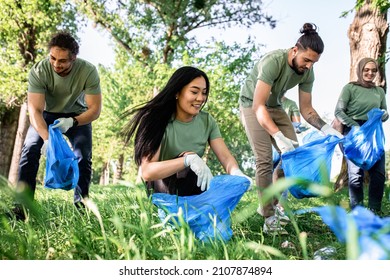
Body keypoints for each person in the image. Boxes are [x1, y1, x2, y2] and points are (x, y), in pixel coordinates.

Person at [239, 23, 343, 234]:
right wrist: (277, 136)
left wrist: (326, 128)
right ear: (295, 50)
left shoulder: (307, 72)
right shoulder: (273, 62)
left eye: (314, 62)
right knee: (264, 159)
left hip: (275, 107)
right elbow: (259, 106)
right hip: (252, 104)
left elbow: (306, 109)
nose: (309, 66)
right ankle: (269, 219)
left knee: (291, 157)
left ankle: (269, 205)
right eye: (306, 60)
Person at [12, 31, 102, 220]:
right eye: (53, 58)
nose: (55, 64)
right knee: (30, 149)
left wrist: (73, 121)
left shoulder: (88, 71)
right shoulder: (40, 70)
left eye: (62, 61)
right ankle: (22, 208)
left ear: (73, 59)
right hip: (47, 114)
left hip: (78, 115)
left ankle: (81, 207)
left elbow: (95, 109)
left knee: (83, 156)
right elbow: (35, 110)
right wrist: (47, 139)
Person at [122, 66, 251, 196]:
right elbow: (147, 172)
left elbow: (225, 157)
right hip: (161, 189)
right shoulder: (156, 120)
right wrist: (187, 160)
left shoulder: (207, 121)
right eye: (194, 92)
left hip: (193, 185)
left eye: (204, 92)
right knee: (189, 163)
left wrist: (236, 173)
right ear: (177, 92)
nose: (201, 98)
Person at [334, 57, 388, 216]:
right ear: (360, 70)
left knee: (378, 172)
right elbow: (338, 111)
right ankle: (357, 210)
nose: (370, 73)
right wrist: (355, 127)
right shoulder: (350, 88)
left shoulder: (379, 91)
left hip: (373, 133)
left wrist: (383, 115)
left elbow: (385, 112)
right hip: (354, 131)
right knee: (355, 173)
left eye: (373, 70)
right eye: (366, 70)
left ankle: (374, 208)